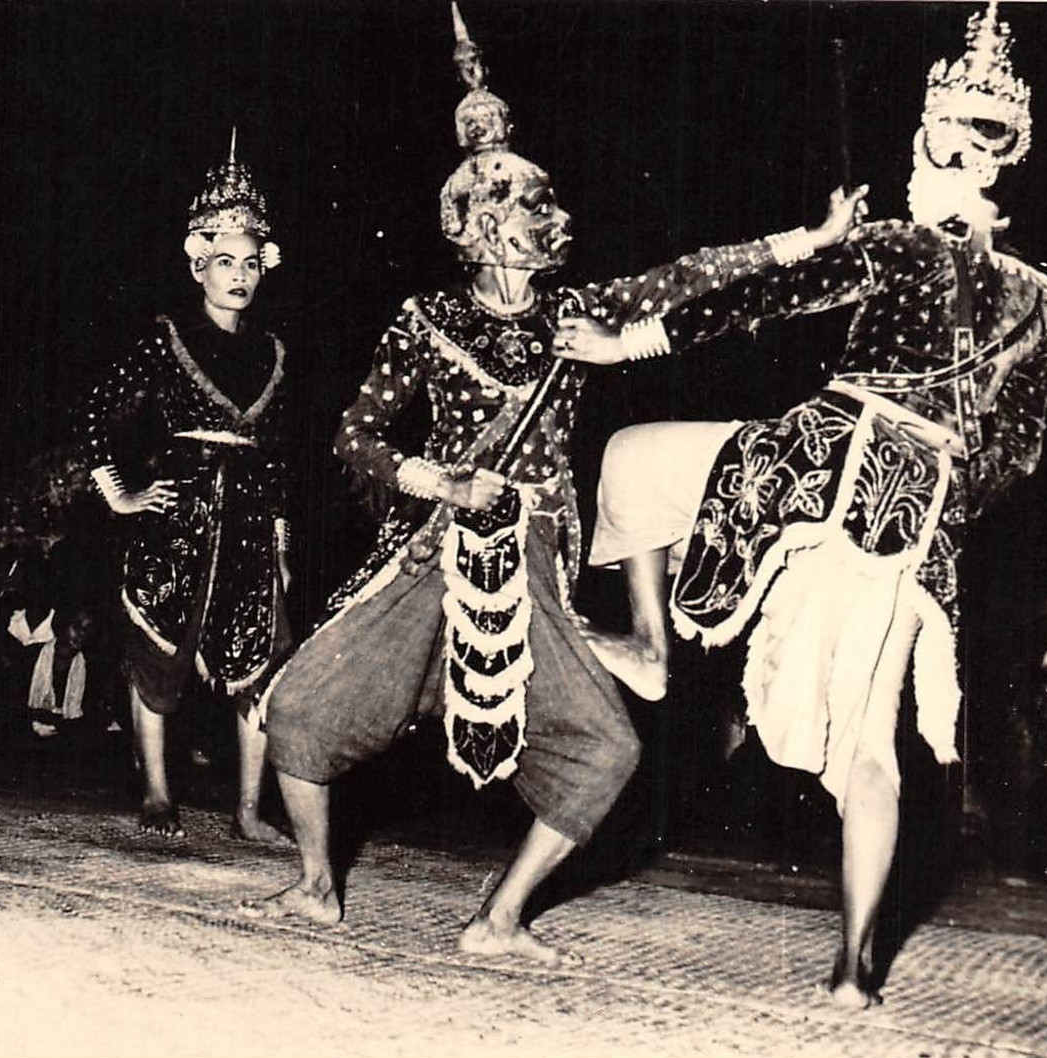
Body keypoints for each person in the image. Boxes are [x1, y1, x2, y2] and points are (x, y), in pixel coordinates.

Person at [242, 4, 862, 965]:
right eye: (521, 215)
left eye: (542, 212)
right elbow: (354, 437)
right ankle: (318, 887)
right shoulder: (425, 318)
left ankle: (497, 919)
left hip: (533, 553)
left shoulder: (578, 312)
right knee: (301, 708)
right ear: (478, 229)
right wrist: (443, 481)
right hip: (432, 547)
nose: (541, 228)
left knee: (607, 750)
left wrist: (805, 242)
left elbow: (688, 276)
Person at [569, 2, 1047, 1004]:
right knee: (871, 746)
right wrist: (931, 497)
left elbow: (755, 298)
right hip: (915, 513)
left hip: (814, 458)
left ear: (938, 141)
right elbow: (1015, 449)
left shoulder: (897, 240)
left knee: (629, 458)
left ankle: (654, 650)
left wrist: (625, 346)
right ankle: (850, 973)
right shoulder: (1035, 296)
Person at [76, 134, 293, 844]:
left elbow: (280, 454)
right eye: (224, 261)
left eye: (251, 262)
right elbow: (97, 412)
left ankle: (249, 810)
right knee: (157, 657)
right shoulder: (166, 335)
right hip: (178, 521)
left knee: (259, 665)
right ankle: (158, 795)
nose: (239, 275)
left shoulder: (273, 351)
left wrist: (281, 541)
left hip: (252, 526)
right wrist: (122, 494)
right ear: (199, 263)